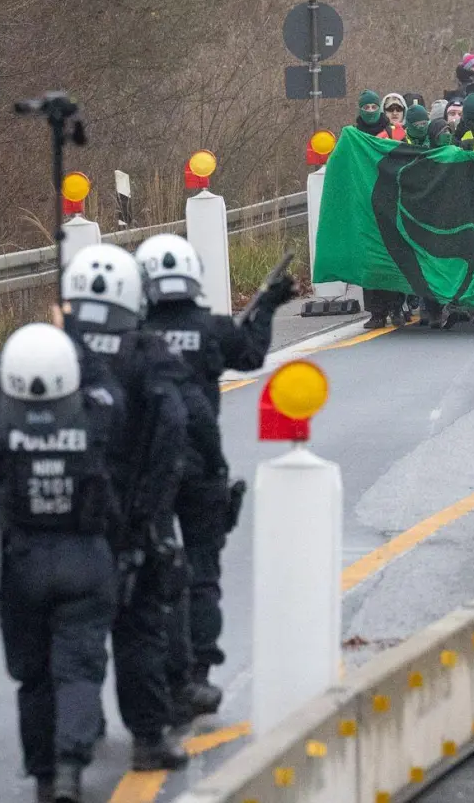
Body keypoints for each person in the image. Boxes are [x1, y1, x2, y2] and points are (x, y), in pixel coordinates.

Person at [134, 234, 291, 717]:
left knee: (156, 571)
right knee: (202, 572)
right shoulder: (212, 328)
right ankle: (198, 671)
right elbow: (251, 354)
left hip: (150, 465)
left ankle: (168, 674)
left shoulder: (135, 336)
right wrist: (267, 305)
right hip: (202, 460)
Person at [0, 323, 117, 803]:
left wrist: (0, 396)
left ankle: (45, 773)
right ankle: (71, 764)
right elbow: (115, 404)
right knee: (79, 667)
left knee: (33, 677)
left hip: (22, 563)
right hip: (84, 558)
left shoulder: (0, 428)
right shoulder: (91, 420)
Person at [59, 244, 191, 771]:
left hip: (65, 522)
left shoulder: (53, 350)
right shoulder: (147, 353)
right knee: (139, 631)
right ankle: (147, 738)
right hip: (131, 516)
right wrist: (151, 511)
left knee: (72, 636)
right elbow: (174, 431)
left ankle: (77, 733)